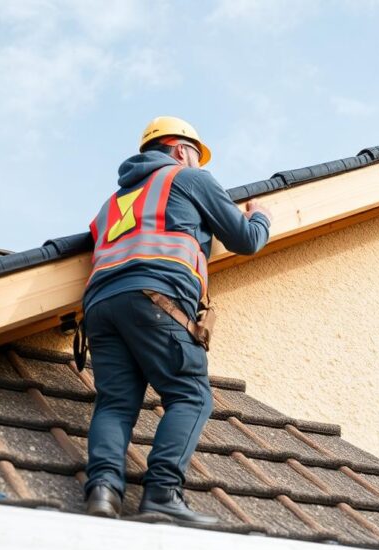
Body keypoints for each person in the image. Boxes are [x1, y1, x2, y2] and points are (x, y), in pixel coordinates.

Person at [80, 116, 272, 524]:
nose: (198, 165)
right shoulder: (187, 179)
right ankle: (163, 493)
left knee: (115, 403)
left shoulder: (109, 206)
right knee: (191, 395)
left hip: (99, 306)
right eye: (196, 157)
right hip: (154, 299)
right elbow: (246, 241)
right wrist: (261, 217)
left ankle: (103, 492)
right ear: (182, 149)